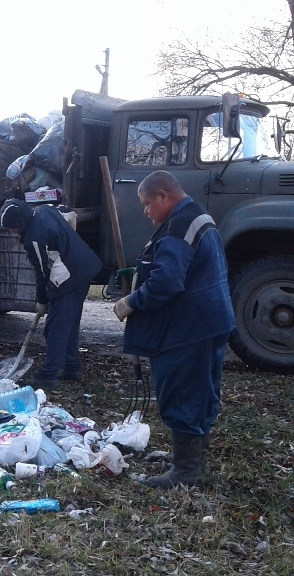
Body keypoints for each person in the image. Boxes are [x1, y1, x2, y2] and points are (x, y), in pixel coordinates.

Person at [113, 170, 234, 488]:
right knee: (202, 391)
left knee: (182, 392)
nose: (145, 211)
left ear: (163, 196)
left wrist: (132, 302)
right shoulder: (197, 217)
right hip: (209, 320)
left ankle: (186, 472)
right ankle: (190, 456)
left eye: (147, 203)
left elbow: (167, 282)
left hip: (188, 328)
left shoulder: (179, 226)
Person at [0, 199, 101, 388]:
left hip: (70, 276)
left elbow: (42, 272)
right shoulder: (44, 210)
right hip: (86, 266)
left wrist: (42, 299)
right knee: (68, 324)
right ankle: (72, 368)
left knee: (56, 328)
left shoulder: (34, 238)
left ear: (19, 223)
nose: (11, 232)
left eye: (11, 228)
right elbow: (68, 211)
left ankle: (49, 375)